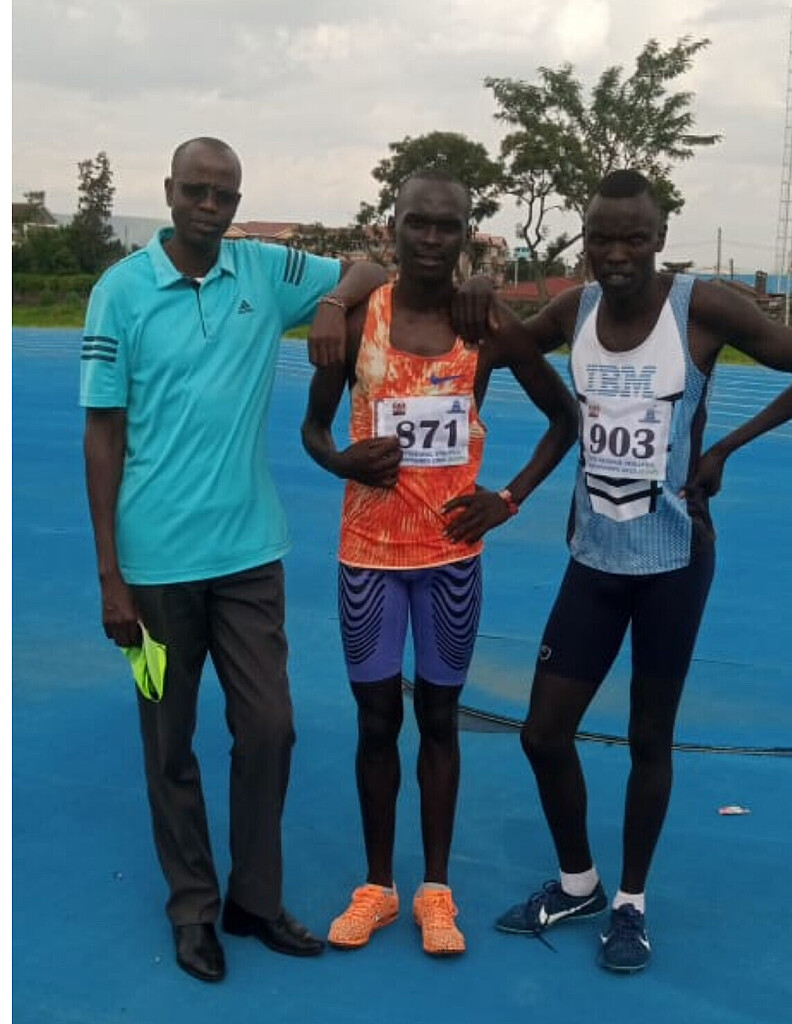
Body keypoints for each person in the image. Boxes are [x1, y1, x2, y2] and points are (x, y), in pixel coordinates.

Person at [491, 169, 792, 972]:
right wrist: (468, 297)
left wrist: (722, 449)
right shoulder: (573, 310)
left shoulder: (701, 308)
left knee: (649, 736)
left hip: (673, 562)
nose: (616, 253)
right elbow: (502, 343)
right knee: (543, 733)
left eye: (633, 238)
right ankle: (578, 883)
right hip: (593, 557)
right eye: (601, 238)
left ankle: (630, 904)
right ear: (584, 240)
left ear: (658, 237)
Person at [80, 136, 390, 983]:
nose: (209, 206)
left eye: (224, 194)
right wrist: (110, 576)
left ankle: (254, 899)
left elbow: (367, 269)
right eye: (196, 190)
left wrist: (332, 304)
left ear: (238, 202)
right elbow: (102, 433)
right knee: (167, 740)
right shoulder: (120, 293)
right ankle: (193, 907)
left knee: (270, 728)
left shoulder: (265, 270)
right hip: (151, 571)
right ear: (169, 191)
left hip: (250, 557)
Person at [300, 170, 577, 957]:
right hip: (369, 560)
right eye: (415, 223)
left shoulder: (481, 323)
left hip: (451, 561)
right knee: (375, 720)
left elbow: (564, 418)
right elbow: (313, 430)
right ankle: (376, 888)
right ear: (392, 226)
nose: (429, 238)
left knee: (439, 720)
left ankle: (435, 892)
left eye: (445, 225)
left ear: (465, 232)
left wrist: (508, 498)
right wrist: (342, 461)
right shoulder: (361, 319)